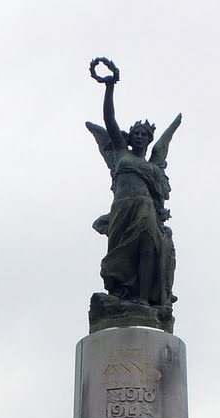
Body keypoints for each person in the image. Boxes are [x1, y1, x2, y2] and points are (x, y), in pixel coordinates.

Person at [87, 59, 181, 307]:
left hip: (144, 208)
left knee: (148, 248)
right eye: (136, 133)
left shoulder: (153, 166)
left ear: (149, 140)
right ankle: (121, 294)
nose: (140, 137)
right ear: (131, 137)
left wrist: (172, 129)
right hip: (122, 208)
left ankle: (142, 300)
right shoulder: (120, 152)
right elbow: (109, 119)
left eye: (145, 135)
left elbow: (163, 145)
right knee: (118, 255)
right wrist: (109, 88)